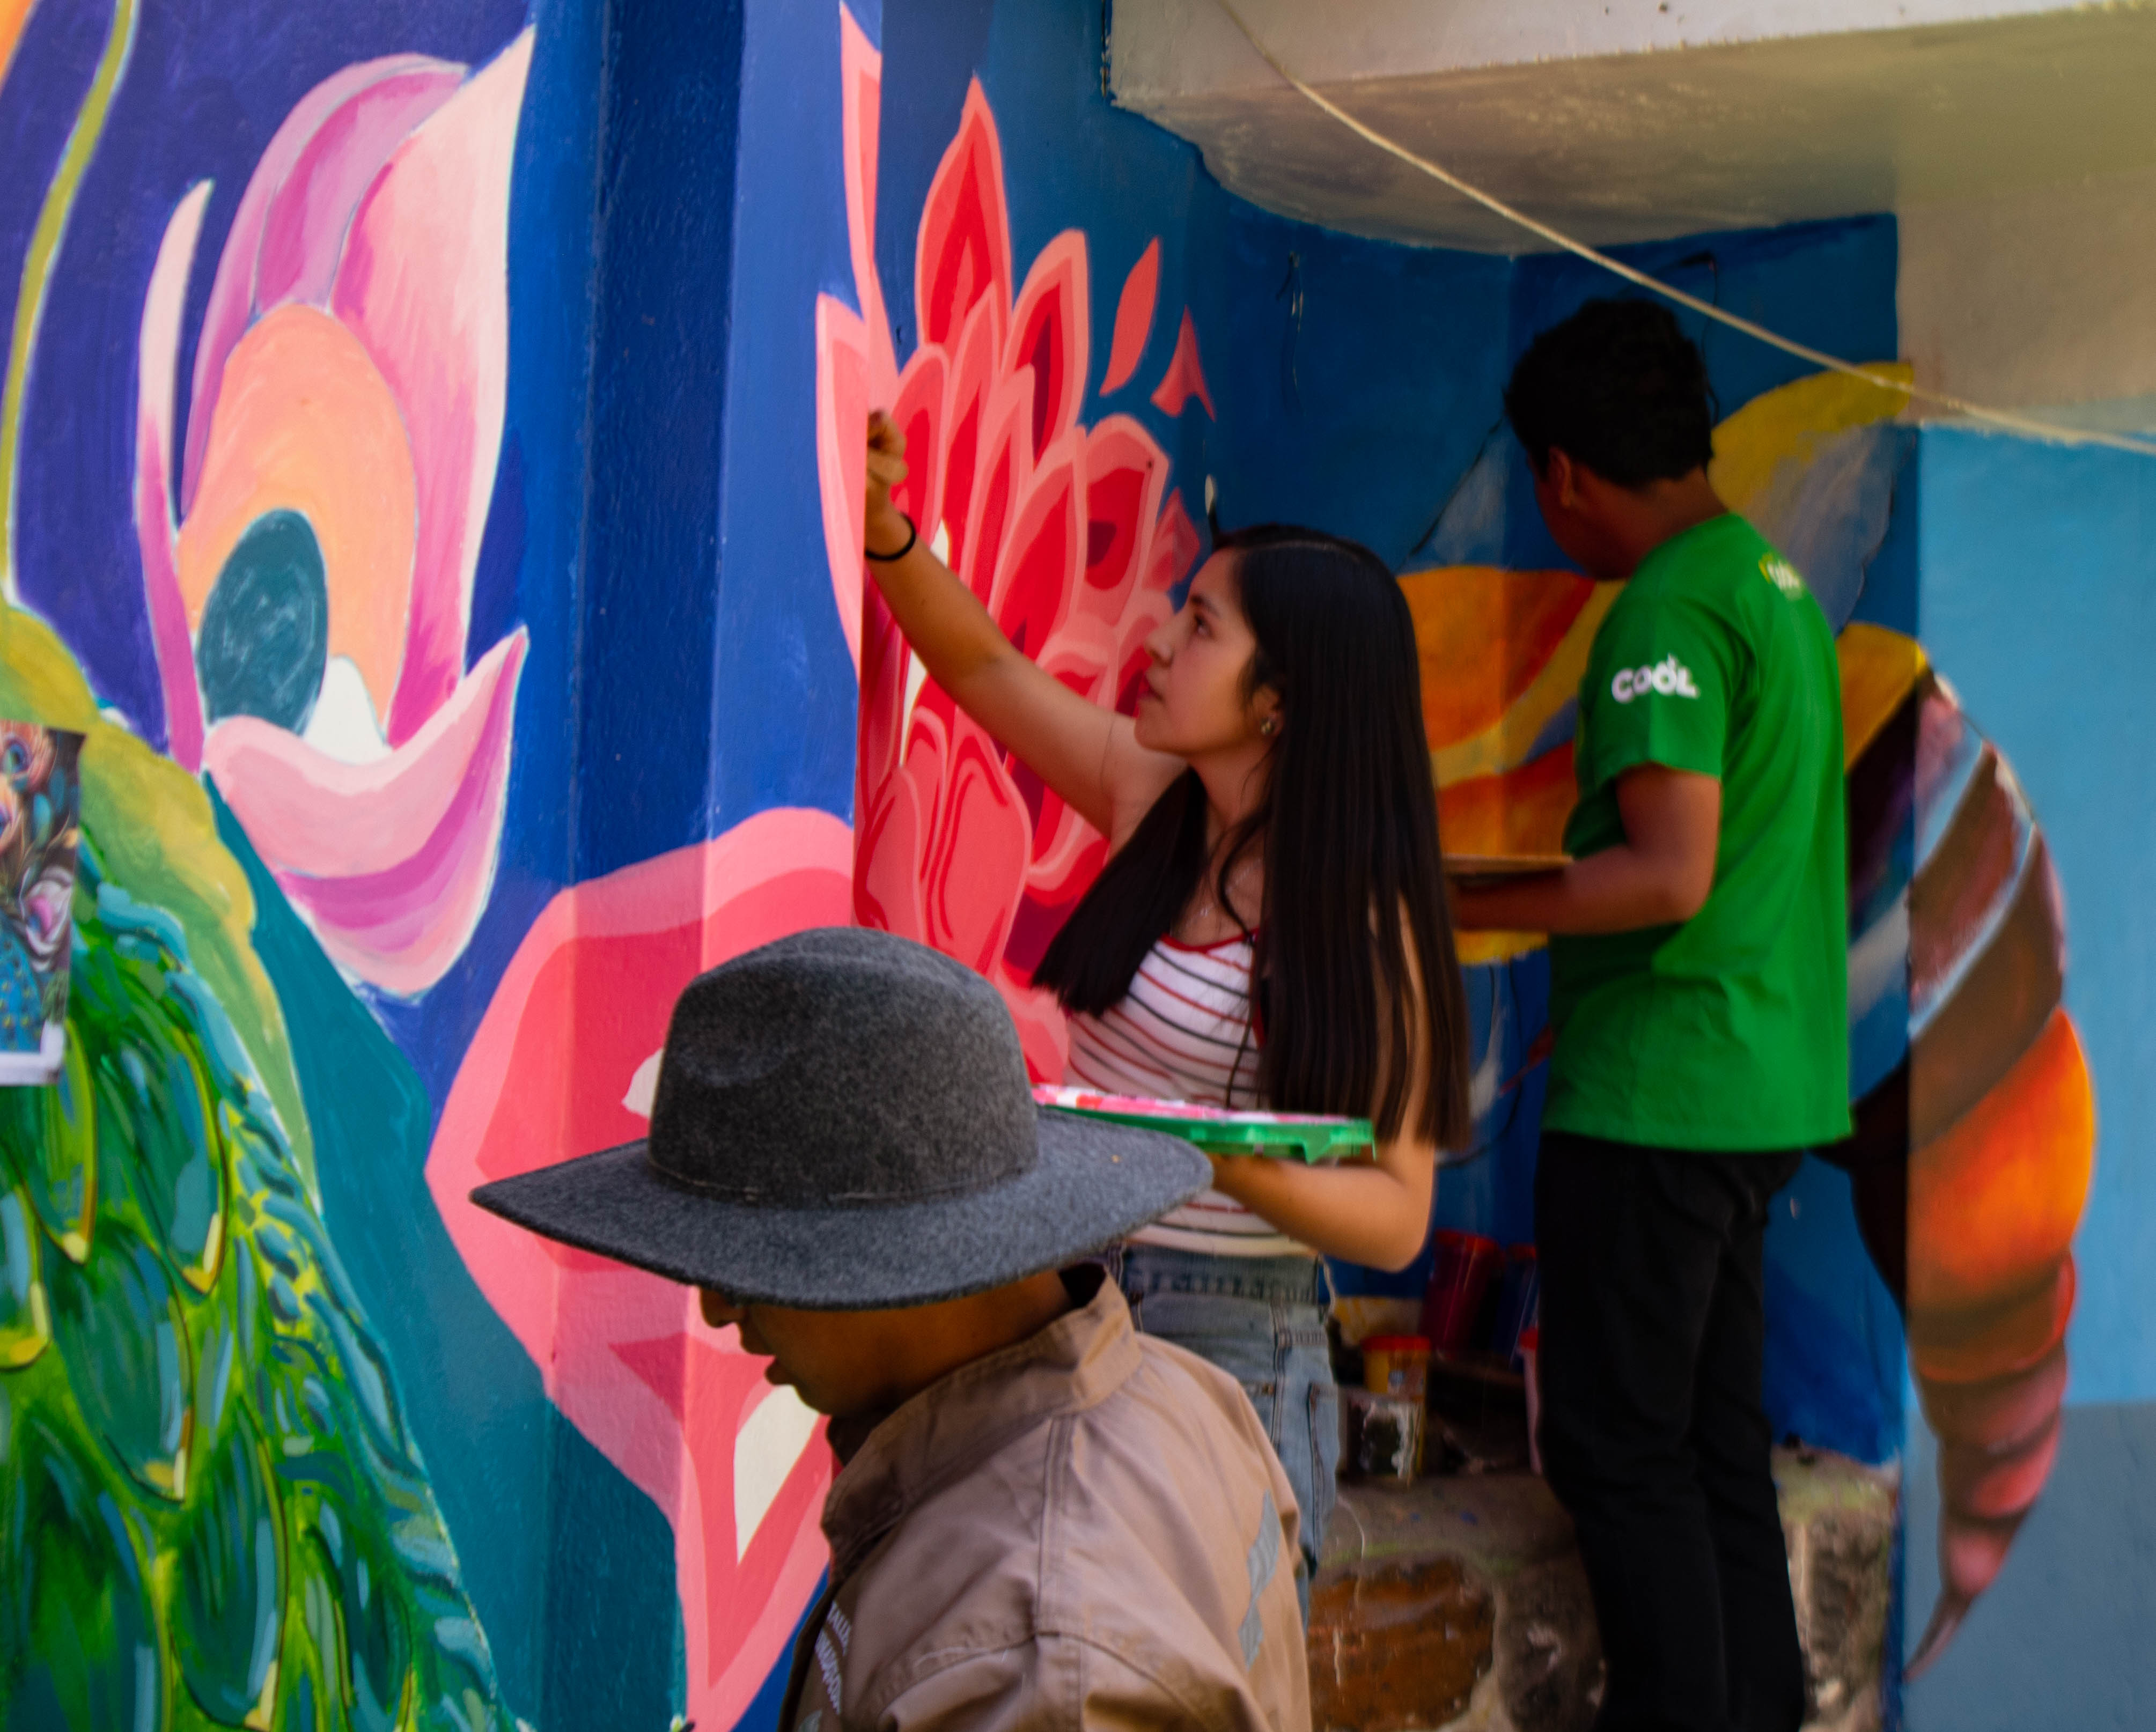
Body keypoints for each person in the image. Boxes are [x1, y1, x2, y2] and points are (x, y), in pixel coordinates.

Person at [860, 417, 1474, 1582]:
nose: (1159, 640)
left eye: (1200, 626)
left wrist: (1208, 1157)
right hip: (1063, 1297)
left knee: (1184, 1679)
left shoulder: (1363, 914)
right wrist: (889, 531)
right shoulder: (1154, 802)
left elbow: (1398, 1216)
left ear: (1277, 702)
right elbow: (985, 670)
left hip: (1230, 1335)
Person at [471, 927, 1312, 1731]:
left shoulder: (1033, 1668)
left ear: (905, 1265)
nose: (719, 1309)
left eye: (744, 1266)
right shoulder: (1187, 1395)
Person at [1451, 298, 1849, 1732]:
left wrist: (1455, 900)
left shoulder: (1663, 609)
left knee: (1621, 1451)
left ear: (1561, 472)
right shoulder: (1767, 584)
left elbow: (1666, 870)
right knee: (1711, 1445)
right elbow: (1734, 869)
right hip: (1752, 1091)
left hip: (1659, 1103)